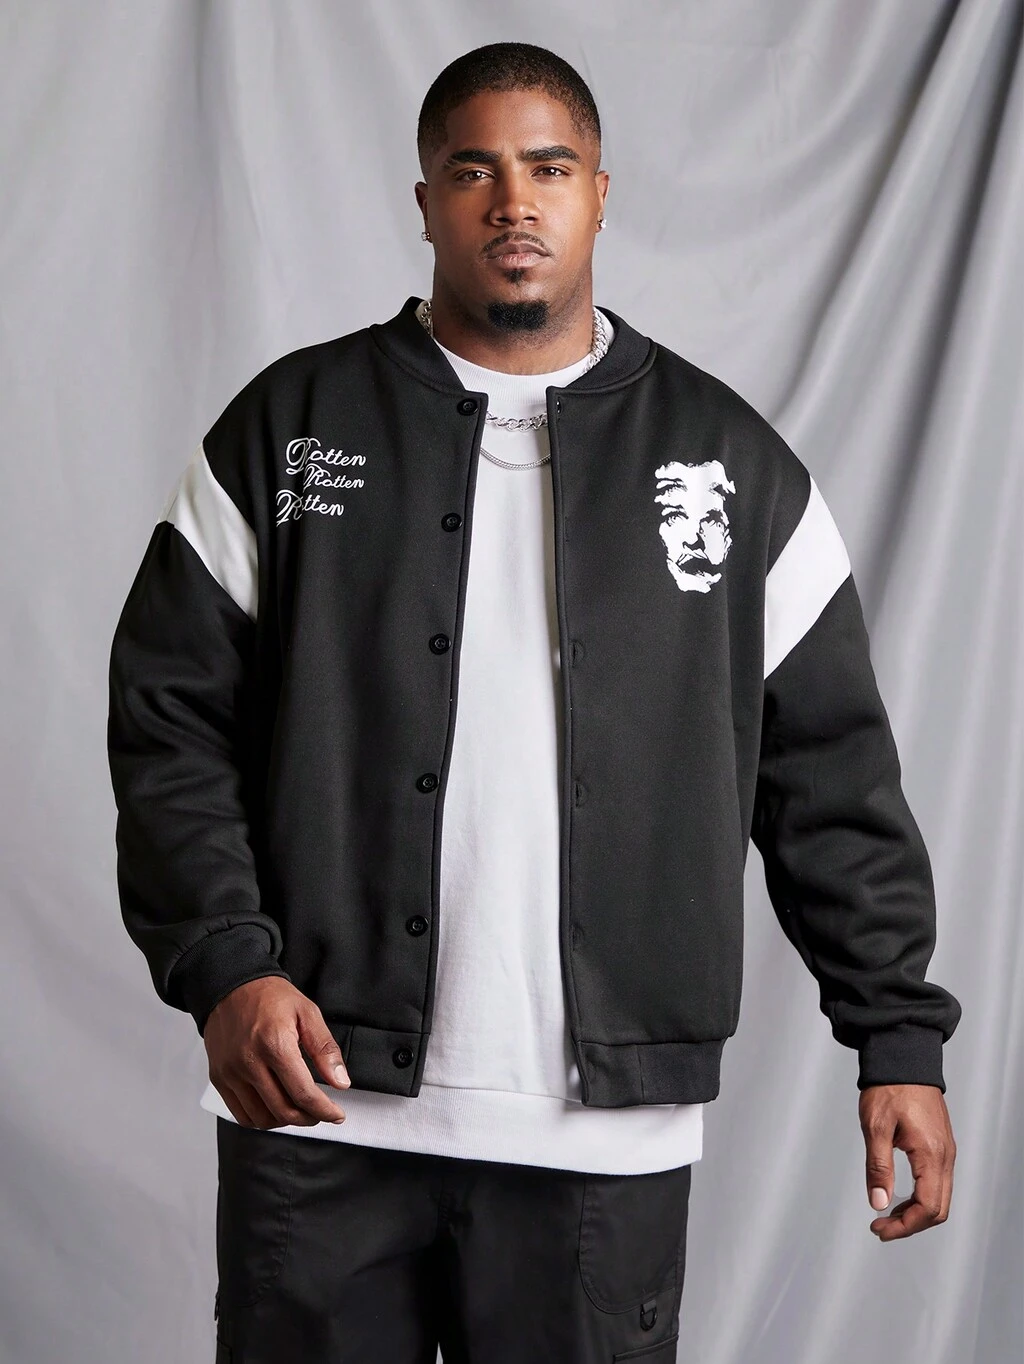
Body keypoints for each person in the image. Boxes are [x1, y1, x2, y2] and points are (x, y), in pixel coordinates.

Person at [107, 40, 961, 1364]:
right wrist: (228, 966)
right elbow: (170, 724)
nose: (515, 203)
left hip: (602, 1146)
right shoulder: (292, 428)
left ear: (601, 194)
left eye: (550, 169)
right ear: (426, 201)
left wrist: (897, 1035)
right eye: (475, 171)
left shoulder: (728, 466)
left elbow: (832, 781)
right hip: (322, 1110)